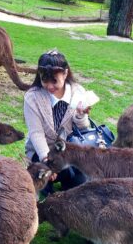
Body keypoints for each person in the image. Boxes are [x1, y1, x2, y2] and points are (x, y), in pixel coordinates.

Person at [24, 49, 92, 195]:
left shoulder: (78, 92)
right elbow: (36, 133)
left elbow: (83, 129)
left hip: (68, 152)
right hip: (42, 152)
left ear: (65, 74)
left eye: (54, 81)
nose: (49, 86)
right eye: (44, 80)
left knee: (79, 187)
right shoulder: (32, 97)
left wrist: (81, 115)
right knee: (42, 188)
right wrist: (48, 161)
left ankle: (68, 177)